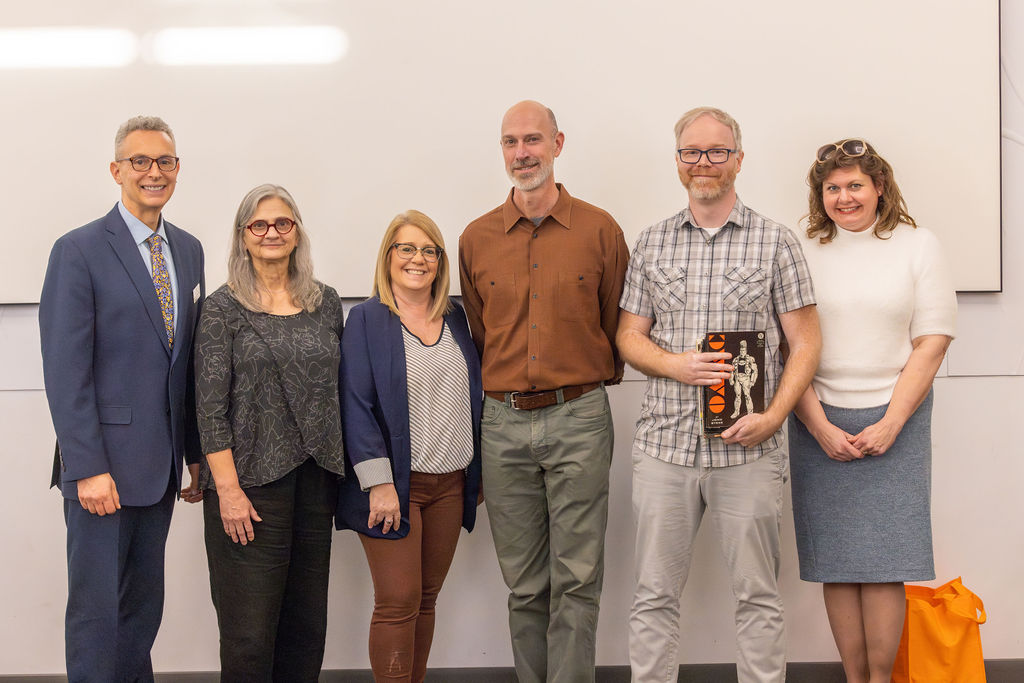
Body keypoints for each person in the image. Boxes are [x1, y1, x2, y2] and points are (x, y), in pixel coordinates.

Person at [616, 106, 820, 683]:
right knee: (653, 595)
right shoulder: (652, 242)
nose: (703, 162)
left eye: (716, 151)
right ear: (678, 160)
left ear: (738, 159)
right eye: (692, 152)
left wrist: (774, 417)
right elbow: (628, 337)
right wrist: (675, 366)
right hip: (665, 448)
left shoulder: (776, 242)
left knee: (758, 597)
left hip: (749, 453)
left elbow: (806, 343)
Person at [458, 100, 629, 683]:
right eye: (510, 141)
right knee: (525, 583)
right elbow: (481, 333)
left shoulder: (600, 230)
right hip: (502, 422)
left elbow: (613, 326)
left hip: (579, 415)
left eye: (533, 139)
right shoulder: (475, 238)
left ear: (558, 144)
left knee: (577, 579)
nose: (522, 152)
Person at [39, 115, 205, 682]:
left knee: (142, 613)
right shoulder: (78, 249)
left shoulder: (189, 250)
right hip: (101, 472)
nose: (153, 172)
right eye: (140, 161)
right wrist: (86, 467)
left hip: (159, 470)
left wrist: (194, 454)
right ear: (116, 170)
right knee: (96, 615)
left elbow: (183, 365)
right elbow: (66, 372)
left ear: (178, 169)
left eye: (164, 161)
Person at [789, 139, 956, 683]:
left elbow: (932, 341)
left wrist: (892, 422)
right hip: (818, 419)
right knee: (838, 564)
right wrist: (818, 426)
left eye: (855, 185)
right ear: (820, 195)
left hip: (897, 418)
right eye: (832, 188)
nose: (844, 197)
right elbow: (789, 347)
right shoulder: (801, 249)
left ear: (879, 187)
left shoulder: (918, 245)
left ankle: (879, 681)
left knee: (886, 563)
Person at [194, 184, 344, 682]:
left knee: (306, 627)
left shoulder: (325, 303)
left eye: (282, 222)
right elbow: (209, 409)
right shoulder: (222, 308)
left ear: (297, 231)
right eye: (259, 225)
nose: (272, 233)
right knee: (250, 634)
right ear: (243, 236)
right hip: (250, 488)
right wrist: (228, 492)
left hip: (316, 483)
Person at [337, 210, 483, 682]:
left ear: (440, 261)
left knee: (425, 599)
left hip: (451, 485)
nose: (417, 259)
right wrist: (379, 484)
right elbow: (355, 405)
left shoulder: (456, 319)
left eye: (428, 250)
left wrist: (478, 476)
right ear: (388, 256)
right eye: (406, 248)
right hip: (395, 487)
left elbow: (472, 396)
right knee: (398, 601)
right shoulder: (367, 319)